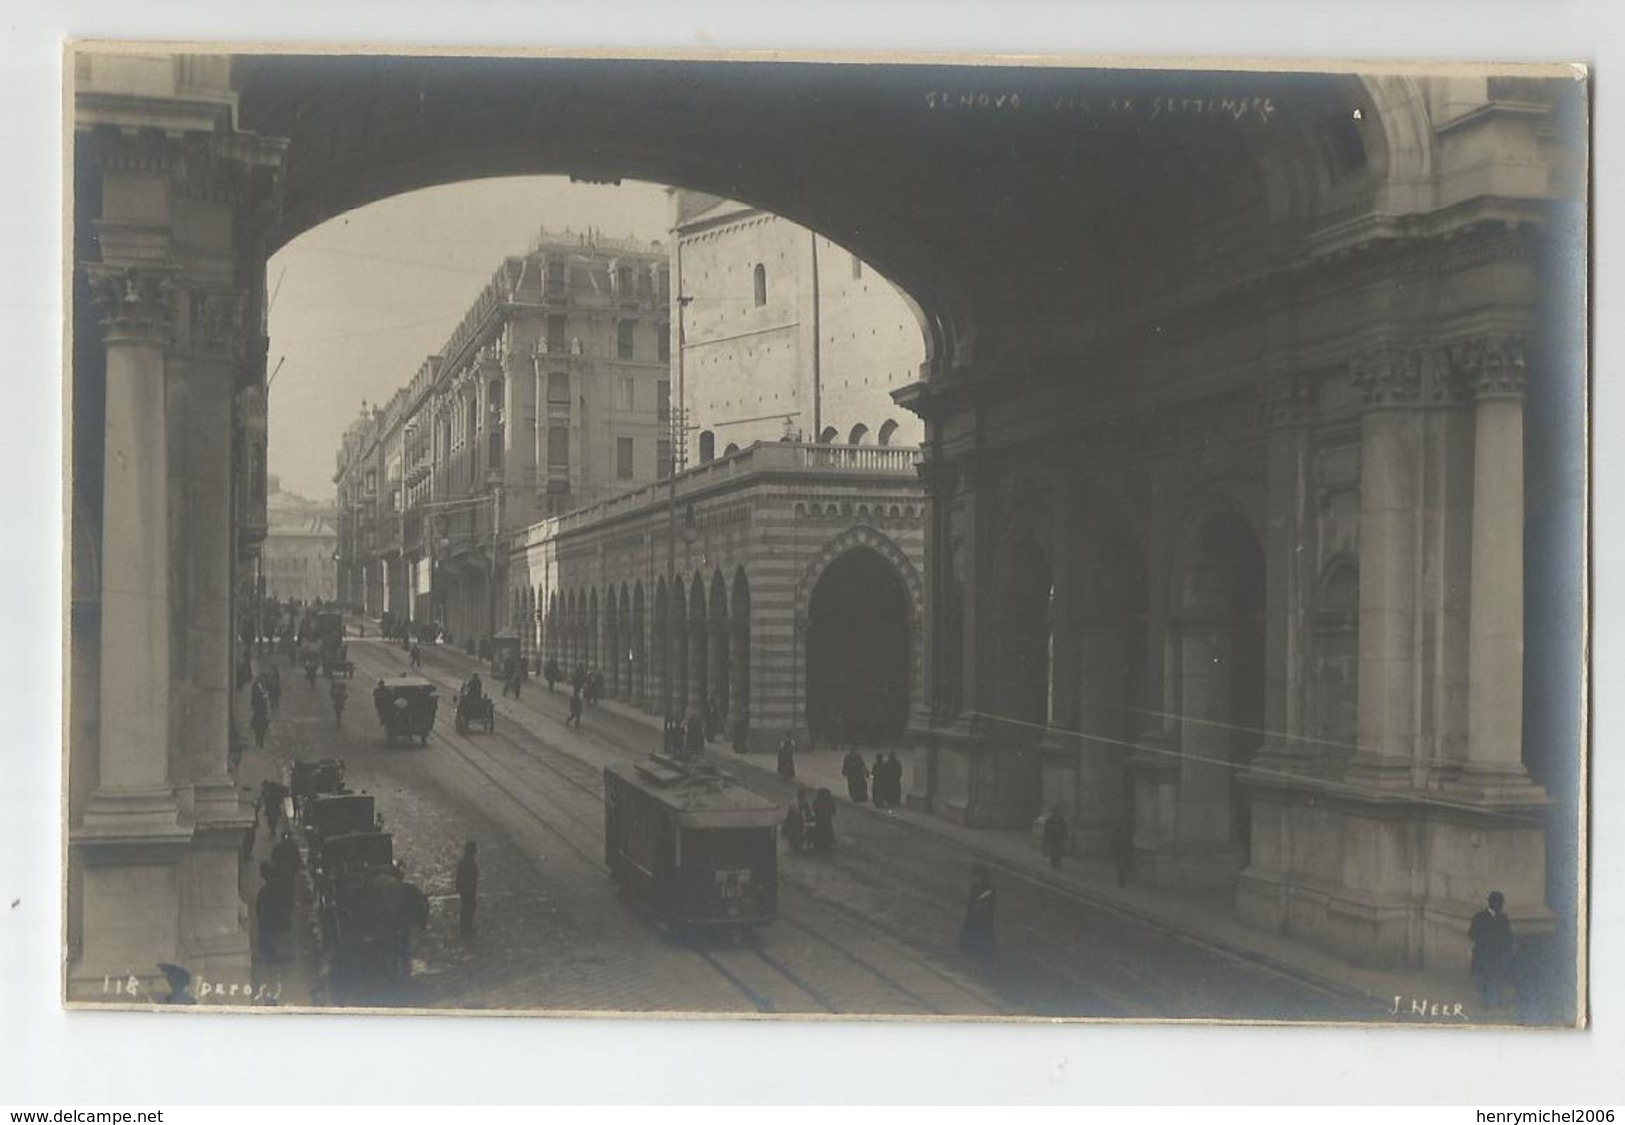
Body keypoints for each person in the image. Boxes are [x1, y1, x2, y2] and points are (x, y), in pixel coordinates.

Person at [1469, 890, 1516, 1007]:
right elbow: (1471, 934)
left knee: (1498, 978)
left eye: (1501, 904)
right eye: (1499, 903)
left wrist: (1509, 949)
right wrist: (1484, 940)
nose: (1501, 906)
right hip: (1484, 954)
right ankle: (1486, 1001)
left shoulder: (1503, 918)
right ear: (1492, 903)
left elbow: (1509, 935)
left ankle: (1496, 999)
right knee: (1485, 979)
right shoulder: (1479, 917)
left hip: (1499, 955)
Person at [958, 866, 999, 962]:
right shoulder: (977, 887)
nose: (973, 879)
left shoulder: (986, 889)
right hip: (976, 913)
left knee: (983, 928)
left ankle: (984, 945)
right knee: (979, 927)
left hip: (981, 914)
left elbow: (986, 897)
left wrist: (979, 901)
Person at [456, 840, 480, 937]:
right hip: (468, 889)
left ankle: (465, 927)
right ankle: (466, 928)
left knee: (467, 907)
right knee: (469, 907)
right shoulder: (469, 863)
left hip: (465, 888)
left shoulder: (464, 862)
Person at [810, 788, 837, 853]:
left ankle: (822, 843)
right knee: (825, 831)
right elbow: (833, 811)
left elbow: (833, 810)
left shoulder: (818, 800)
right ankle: (824, 843)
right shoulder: (828, 801)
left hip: (823, 819)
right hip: (823, 819)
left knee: (823, 831)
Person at [1042, 806, 1069, 871]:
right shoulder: (1049, 820)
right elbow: (1046, 829)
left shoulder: (1061, 820)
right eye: (1055, 812)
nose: (1056, 814)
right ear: (1053, 812)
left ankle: (1057, 861)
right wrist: (1046, 838)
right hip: (1052, 838)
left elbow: (1064, 828)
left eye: (1057, 812)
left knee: (1059, 850)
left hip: (1059, 838)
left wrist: (1065, 836)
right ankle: (1053, 862)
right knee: (1053, 850)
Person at [1112, 817, 1134, 888]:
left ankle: (1122, 881)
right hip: (1120, 852)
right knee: (1121, 868)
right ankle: (1121, 883)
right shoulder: (1117, 831)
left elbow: (1130, 842)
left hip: (1124, 852)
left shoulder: (1127, 832)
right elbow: (1114, 843)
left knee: (1123, 867)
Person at [250, 682, 270, 750]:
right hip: (260, 715)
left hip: (260, 715)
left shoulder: (262, 692)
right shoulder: (261, 693)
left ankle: (259, 742)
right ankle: (259, 742)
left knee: (259, 730)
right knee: (259, 730)